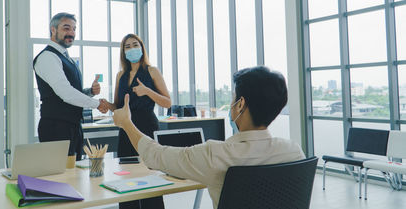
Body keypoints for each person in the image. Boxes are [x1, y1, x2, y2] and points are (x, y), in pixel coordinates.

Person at [113, 66, 306, 209]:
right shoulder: (293, 151)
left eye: (232, 98)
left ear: (240, 105)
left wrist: (127, 124)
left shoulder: (216, 154)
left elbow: (155, 155)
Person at [105, 33, 171, 209]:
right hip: (126, 129)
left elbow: (167, 101)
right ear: (123, 52)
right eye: (127, 46)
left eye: (135, 45)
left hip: (147, 126)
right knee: (127, 177)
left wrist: (147, 91)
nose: (132, 49)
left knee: (150, 175)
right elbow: (118, 106)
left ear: (142, 48)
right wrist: (106, 105)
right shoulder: (120, 75)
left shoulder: (152, 71)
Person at [33, 12, 109, 162]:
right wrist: (97, 104)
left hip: (72, 126)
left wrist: (90, 92)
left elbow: (71, 90)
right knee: (59, 178)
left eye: (74, 29)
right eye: (66, 28)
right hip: (56, 128)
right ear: (53, 29)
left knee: (74, 175)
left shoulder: (66, 58)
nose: (71, 33)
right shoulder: (48, 57)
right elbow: (65, 93)